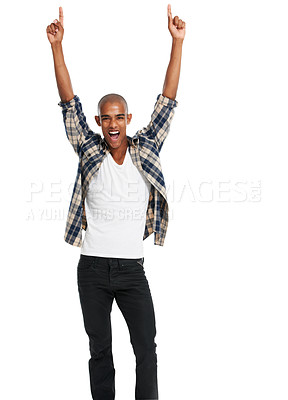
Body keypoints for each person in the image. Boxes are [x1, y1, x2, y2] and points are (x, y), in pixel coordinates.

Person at [46, 4, 185, 400]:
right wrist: (57, 47)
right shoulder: (88, 151)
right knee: (100, 351)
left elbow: (168, 101)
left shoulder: (146, 148)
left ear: (128, 118)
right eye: (106, 118)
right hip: (91, 269)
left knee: (146, 350)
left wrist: (177, 43)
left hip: (131, 271)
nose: (113, 124)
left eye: (119, 117)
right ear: (98, 121)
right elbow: (68, 101)